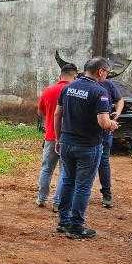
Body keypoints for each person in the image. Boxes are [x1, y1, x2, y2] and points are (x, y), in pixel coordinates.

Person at [54, 57, 119, 239]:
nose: (107, 76)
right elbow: (103, 122)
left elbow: (57, 114)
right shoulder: (100, 92)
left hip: (66, 142)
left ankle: (63, 222)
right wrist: (112, 124)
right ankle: (76, 226)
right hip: (88, 146)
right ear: (100, 71)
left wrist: (59, 139)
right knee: (83, 186)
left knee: (68, 181)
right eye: (107, 72)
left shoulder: (68, 88)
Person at [36, 63, 78, 210]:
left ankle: (41, 198)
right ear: (75, 76)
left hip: (50, 137)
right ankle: (58, 202)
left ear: (60, 76)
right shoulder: (74, 91)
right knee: (64, 171)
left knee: (46, 168)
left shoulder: (47, 90)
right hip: (68, 138)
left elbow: (41, 112)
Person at [97, 78, 124, 209]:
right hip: (87, 131)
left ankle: (106, 193)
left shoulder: (108, 84)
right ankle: (77, 193)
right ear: (100, 71)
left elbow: (120, 100)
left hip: (104, 131)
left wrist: (117, 114)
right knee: (83, 162)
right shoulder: (81, 82)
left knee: (103, 162)